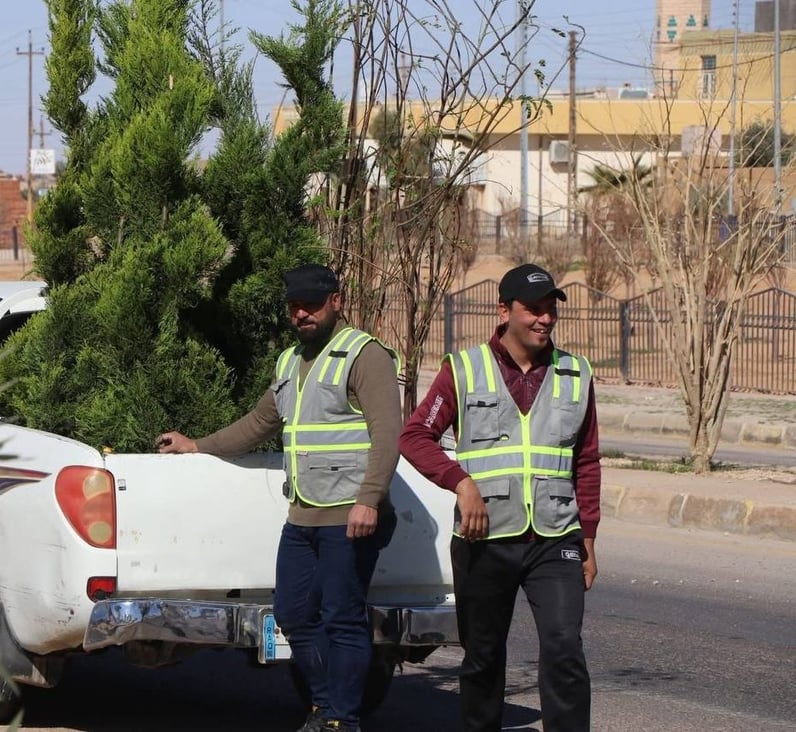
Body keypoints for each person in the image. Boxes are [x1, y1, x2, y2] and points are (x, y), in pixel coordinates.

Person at [157, 263, 402, 732]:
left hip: (349, 515)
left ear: (336, 301)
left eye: (311, 304)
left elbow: (387, 434)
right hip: (304, 514)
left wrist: (369, 499)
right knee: (291, 614)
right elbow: (259, 424)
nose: (302, 314)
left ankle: (342, 721)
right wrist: (197, 444)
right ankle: (326, 707)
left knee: (342, 619)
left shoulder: (364, 356)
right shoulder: (291, 361)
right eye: (294, 307)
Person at [398, 263, 600, 732]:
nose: (544, 319)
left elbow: (586, 460)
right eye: (533, 309)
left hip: (555, 538)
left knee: (564, 648)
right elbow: (415, 436)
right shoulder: (464, 369)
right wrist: (461, 482)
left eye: (550, 309)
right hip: (484, 540)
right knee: (483, 658)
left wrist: (588, 536)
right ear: (503, 311)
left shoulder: (576, 373)